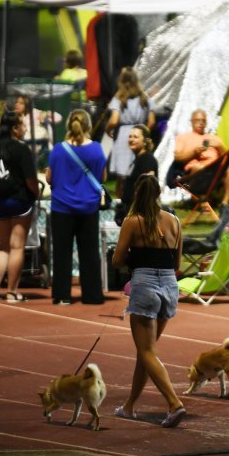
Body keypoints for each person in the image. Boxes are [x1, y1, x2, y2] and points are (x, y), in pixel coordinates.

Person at [112, 173, 186, 428]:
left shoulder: (133, 221)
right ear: (158, 194)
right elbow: (177, 263)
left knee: (147, 352)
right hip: (169, 286)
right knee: (147, 353)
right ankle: (130, 406)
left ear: (136, 194)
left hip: (145, 285)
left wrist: (135, 258)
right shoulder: (175, 221)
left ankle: (174, 403)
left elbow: (117, 260)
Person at [45, 109, 107, 305]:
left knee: (62, 252)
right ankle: (92, 294)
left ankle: (62, 294)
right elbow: (103, 177)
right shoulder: (97, 149)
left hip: (62, 206)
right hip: (88, 206)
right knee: (89, 252)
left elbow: (49, 177)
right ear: (88, 126)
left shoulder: (58, 149)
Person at [0, 111, 39, 302]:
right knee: (17, 246)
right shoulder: (22, 149)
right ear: (15, 129)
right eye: (23, 125)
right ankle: (12, 291)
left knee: (3, 247)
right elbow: (30, 179)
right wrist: (35, 192)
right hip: (19, 200)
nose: (25, 128)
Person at [171, 109, 229, 206]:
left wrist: (219, 146)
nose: (201, 123)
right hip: (196, 172)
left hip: (216, 171)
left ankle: (225, 204)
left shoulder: (213, 137)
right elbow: (177, 157)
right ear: (191, 121)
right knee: (198, 168)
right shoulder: (183, 138)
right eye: (198, 120)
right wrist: (194, 152)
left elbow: (228, 158)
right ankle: (201, 200)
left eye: (203, 121)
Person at [105, 67, 155, 198]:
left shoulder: (119, 98)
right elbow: (152, 120)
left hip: (123, 135)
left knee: (122, 176)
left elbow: (114, 120)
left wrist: (108, 130)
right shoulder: (144, 97)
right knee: (137, 171)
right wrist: (144, 133)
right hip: (139, 133)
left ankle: (121, 202)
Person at [115, 125, 158, 226]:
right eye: (130, 136)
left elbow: (148, 188)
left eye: (135, 137)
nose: (131, 139)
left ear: (145, 141)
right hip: (131, 211)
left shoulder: (147, 159)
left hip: (141, 215)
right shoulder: (136, 160)